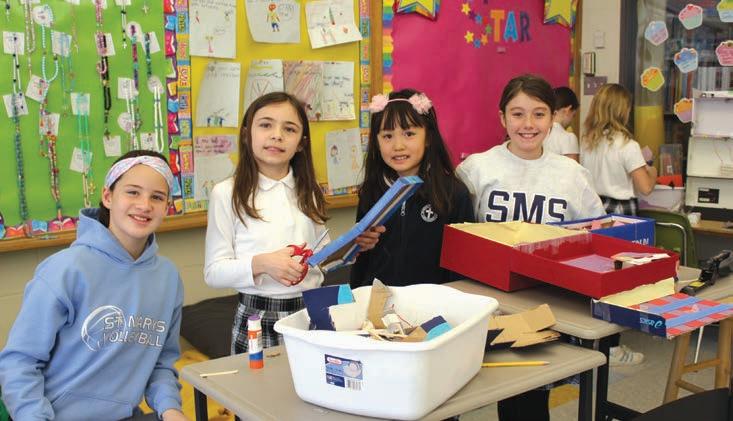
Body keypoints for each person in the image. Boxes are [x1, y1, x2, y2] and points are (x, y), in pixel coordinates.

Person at [457, 74, 605, 421]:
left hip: (546, 303)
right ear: (502, 118)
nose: (528, 124)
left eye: (539, 114)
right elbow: (456, 233)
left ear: (553, 119)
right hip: (486, 301)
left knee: (528, 399)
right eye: (518, 114)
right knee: (464, 390)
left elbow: (596, 234)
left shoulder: (572, 174)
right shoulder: (476, 168)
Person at [0, 150, 187, 421]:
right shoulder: (65, 270)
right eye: (133, 192)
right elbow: (20, 362)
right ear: (108, 197)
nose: (144, 205)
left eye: (157, 197)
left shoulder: (168, 278)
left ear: (167, 206)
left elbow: (161, 365)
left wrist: (171, 410)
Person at [205, 92, 376, 354]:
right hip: (259, 315)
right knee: (260, 381)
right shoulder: (226, 193)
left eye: (289, 129)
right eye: (266, 125)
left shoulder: (310, 191)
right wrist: (263, 263)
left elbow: (319, 258)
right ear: (246, 134)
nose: (277, 135)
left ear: (301, 143)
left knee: (315, 379)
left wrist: (352, 246)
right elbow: (213, 272)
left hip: (312, 311)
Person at [349, 88, 474, 288]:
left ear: (428, 137)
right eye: (387, 136)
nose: (398, 146)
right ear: (376, 141)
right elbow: (362, 260)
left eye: (409, 134)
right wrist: (356, 296)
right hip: (378, 301)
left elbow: (463, 266)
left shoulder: (453, 193)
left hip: (434, 302)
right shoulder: (371, 191)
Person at [580, 83, 658, 216]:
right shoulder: (628, 145)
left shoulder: (587, 142)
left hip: (592, 207)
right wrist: (653, 171)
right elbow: (645, 188)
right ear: (623, 111)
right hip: (620, 210)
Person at [544, 86, 580, 161]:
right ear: (568, 110)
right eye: (573, 115)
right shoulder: (568, 137)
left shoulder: (540, 134)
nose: (571, 121)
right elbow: (572, 168)